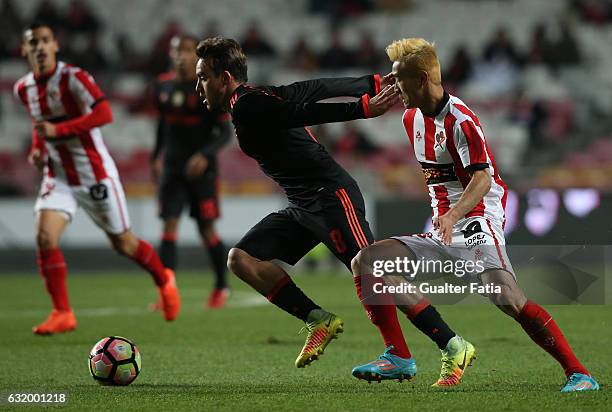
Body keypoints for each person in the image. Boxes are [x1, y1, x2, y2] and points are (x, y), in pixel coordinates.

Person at [350, 37, 599, 393]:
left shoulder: (461, 120)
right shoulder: (410, 119)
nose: (392, 85)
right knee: (367, 263)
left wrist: (453, 215)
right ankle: (398, 355)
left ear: (421, 78)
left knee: (507, 299)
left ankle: (579, 374)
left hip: (477, 218)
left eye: (398, 77)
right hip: (443, 223)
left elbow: (482, 178)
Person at [195, 37, 407, 368]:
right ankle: (317, 319)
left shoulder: (251, 105)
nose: (198, 87)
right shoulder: (259, 98)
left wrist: (363, 106)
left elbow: (305, 108)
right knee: (241, 259)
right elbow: (315, 87)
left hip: (330, 196)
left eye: (203, 77)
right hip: (303, 205)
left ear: (224, 78)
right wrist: (370, 83)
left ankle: (446, 342)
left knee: (374, 273)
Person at [13, 22, 181, 335]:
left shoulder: (74, 78)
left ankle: (164, 279)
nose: (39, 47)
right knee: (45, 237)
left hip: (94, 174)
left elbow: (105, 114)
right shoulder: (23, 88)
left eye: (45, 41)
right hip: (58, 175)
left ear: (55, 46)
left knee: (123, 243)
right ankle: (62, 312)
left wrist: (59, 131)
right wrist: (38, 149)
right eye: (33, 42)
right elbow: (40, 125)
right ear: (24, 50)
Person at [151, 35, 232, 308]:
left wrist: (204, 155)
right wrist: (155, 156)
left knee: (206, 229)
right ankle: (167, 291)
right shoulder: (162, 85)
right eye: (176, 51)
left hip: (202, 170)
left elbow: (224, 133)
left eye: (185, 50)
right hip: (173, 168)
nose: (180, 56)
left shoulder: (206, 85)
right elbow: (163, 126)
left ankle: (221, 286)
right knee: (168, 226)